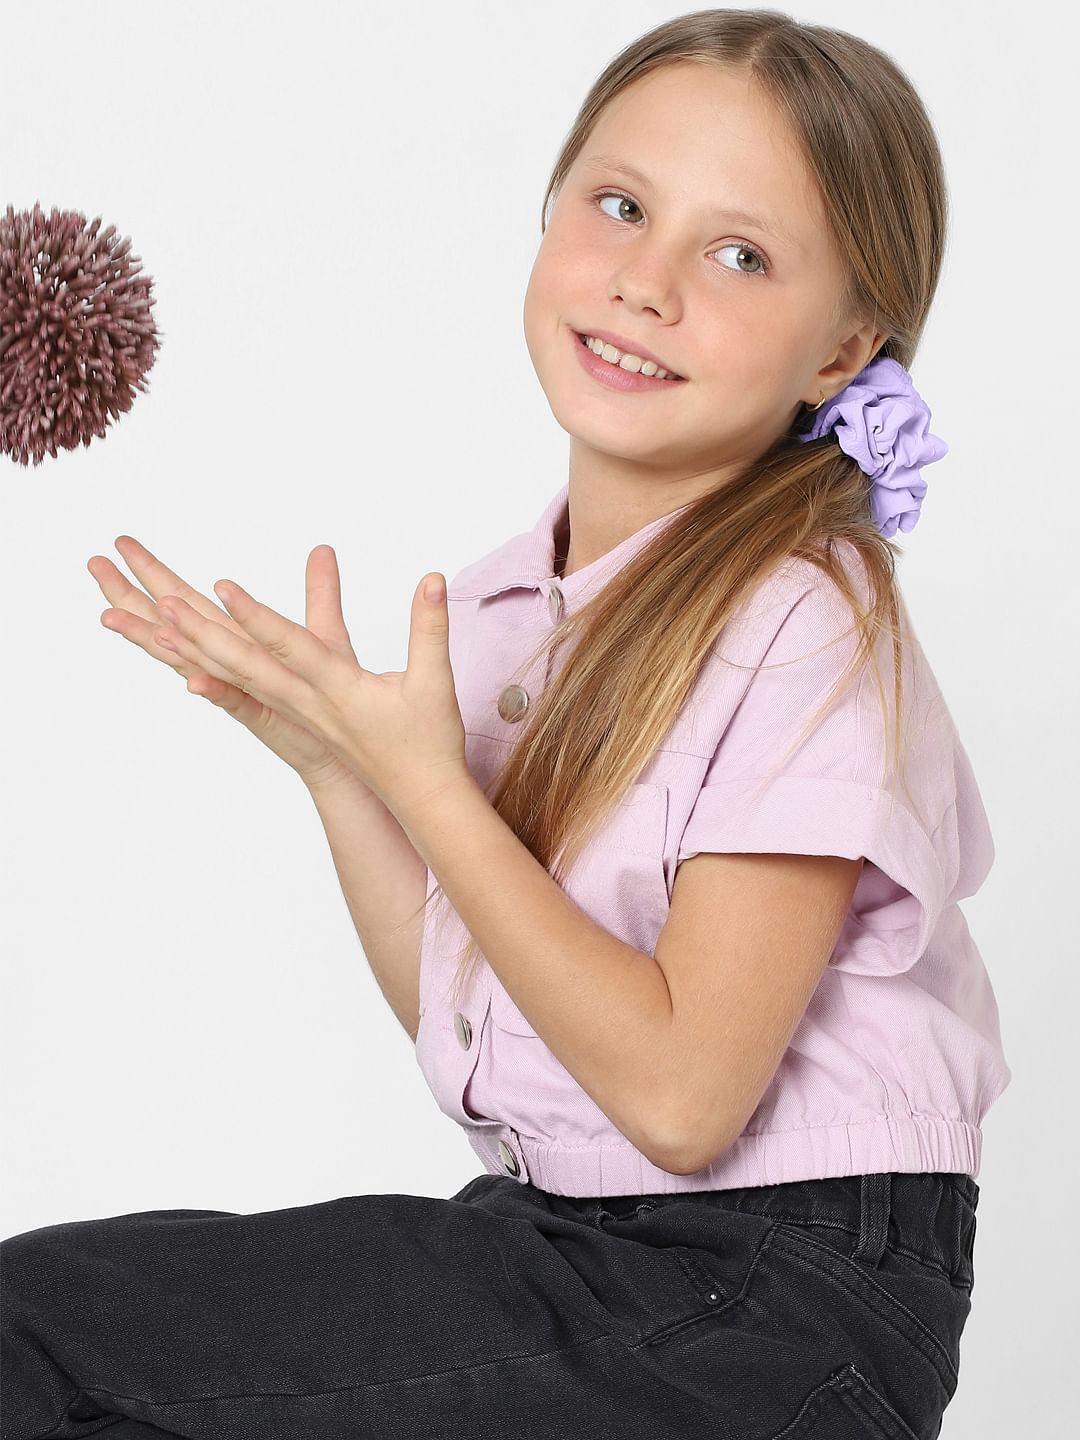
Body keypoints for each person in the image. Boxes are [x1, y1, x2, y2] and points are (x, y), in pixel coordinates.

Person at [1, 9, 1010, 1438]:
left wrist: (434, 790)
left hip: (778, 1301)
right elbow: (496, 1032)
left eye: (739, 255)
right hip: (592, 1243)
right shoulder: (504, 606)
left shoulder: (810, 625)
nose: (645, 283)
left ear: (844, 349)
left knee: (41, 1338)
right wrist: (348, 783)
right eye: (618, 205)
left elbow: (676, 1099)